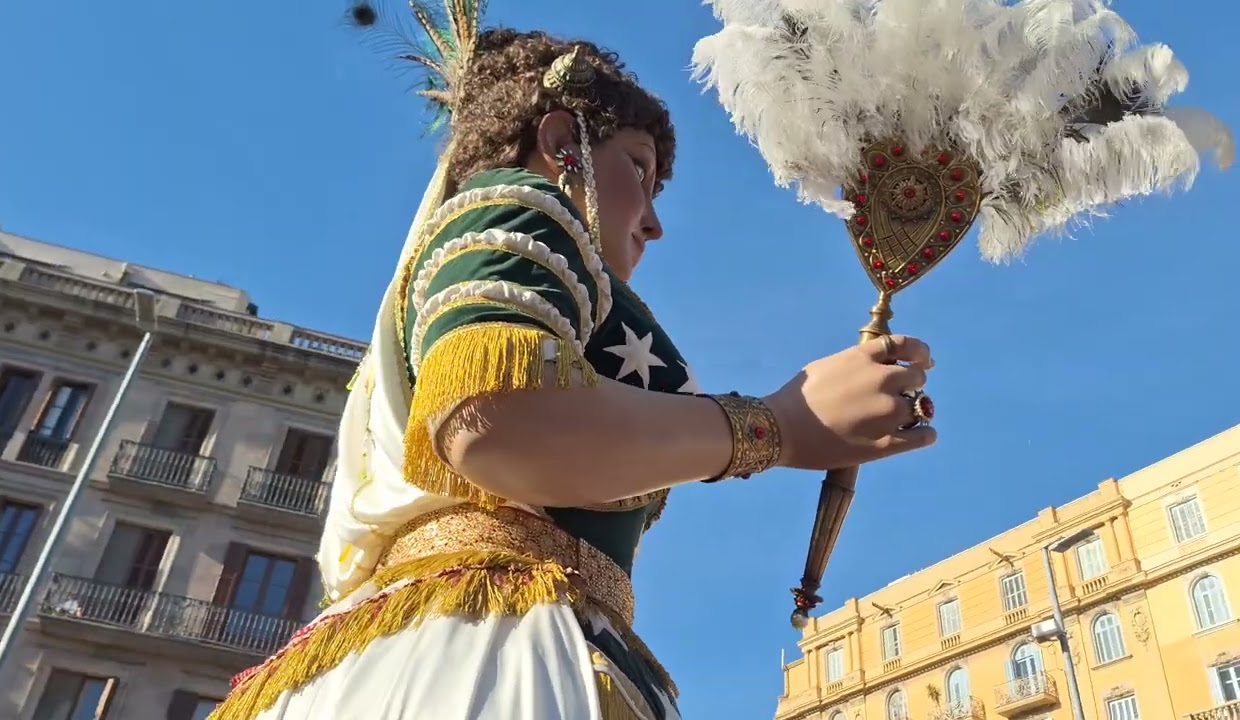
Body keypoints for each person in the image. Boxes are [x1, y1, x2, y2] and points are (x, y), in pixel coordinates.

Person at [209, 7, 936, 720]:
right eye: (639, 171)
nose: (653, 219)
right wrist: (773, 427)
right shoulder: (525, 206)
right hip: (488, 664)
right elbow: (498, 422)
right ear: (563, 144)